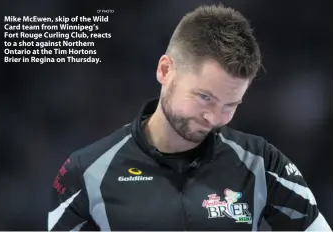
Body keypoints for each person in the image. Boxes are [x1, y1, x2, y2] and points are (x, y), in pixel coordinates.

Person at [47, 4, 332, 231]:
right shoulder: (85, 173)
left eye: (230, 105)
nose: (214, 117)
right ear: (165, 70)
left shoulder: (263, 164)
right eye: (204, 97)